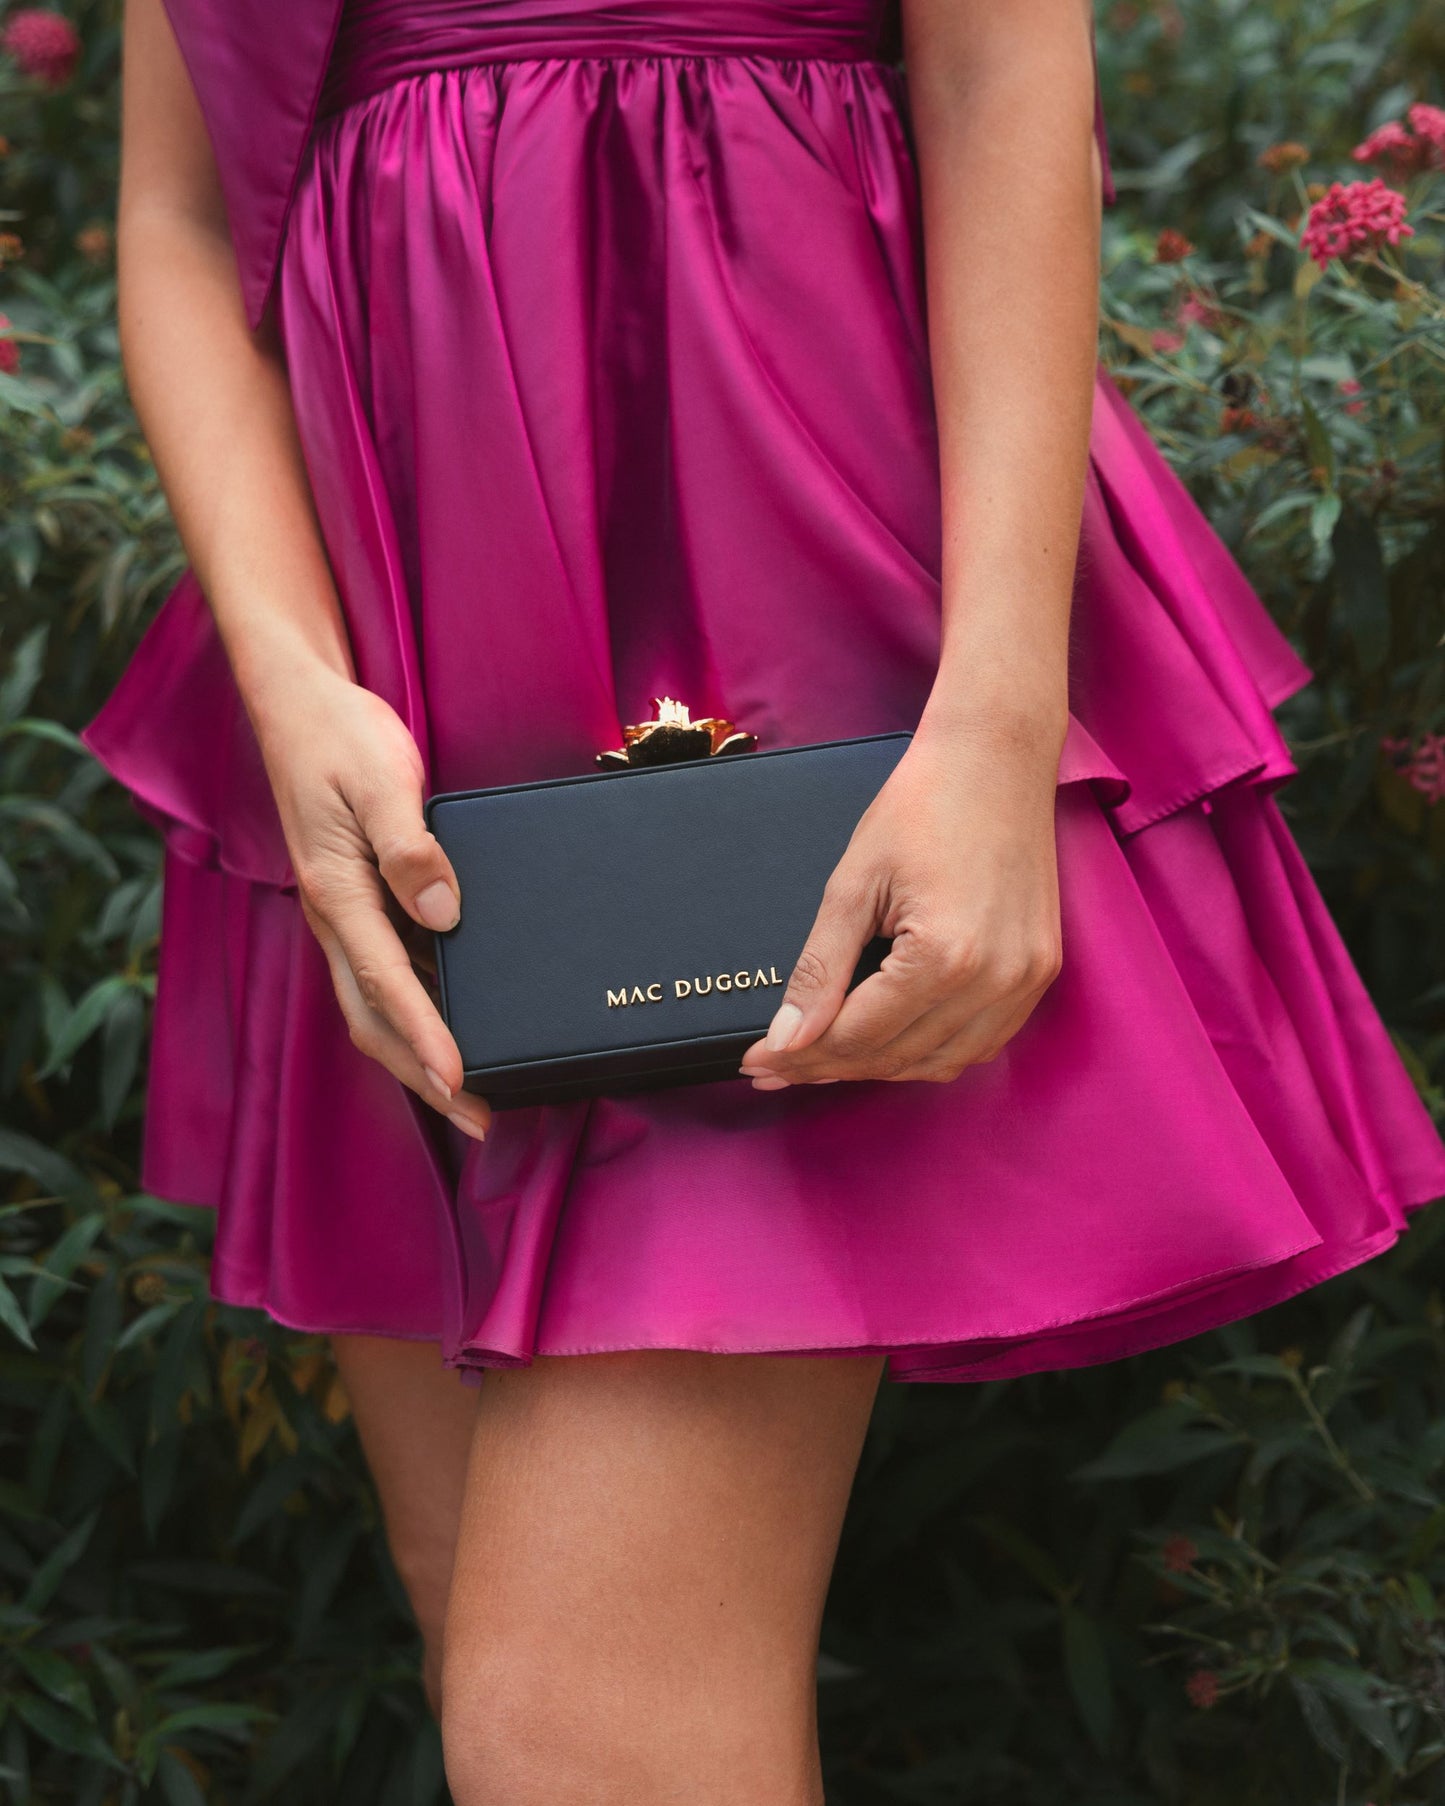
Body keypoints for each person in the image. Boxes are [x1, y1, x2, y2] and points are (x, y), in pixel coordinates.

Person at [85, 0, 1445, 1798]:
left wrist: (995, 722)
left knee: (575, 1714)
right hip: (385, 702)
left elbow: (998, 73)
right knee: (491, 1627)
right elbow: (177, 214)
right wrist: (287, 683)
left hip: (781, 607)